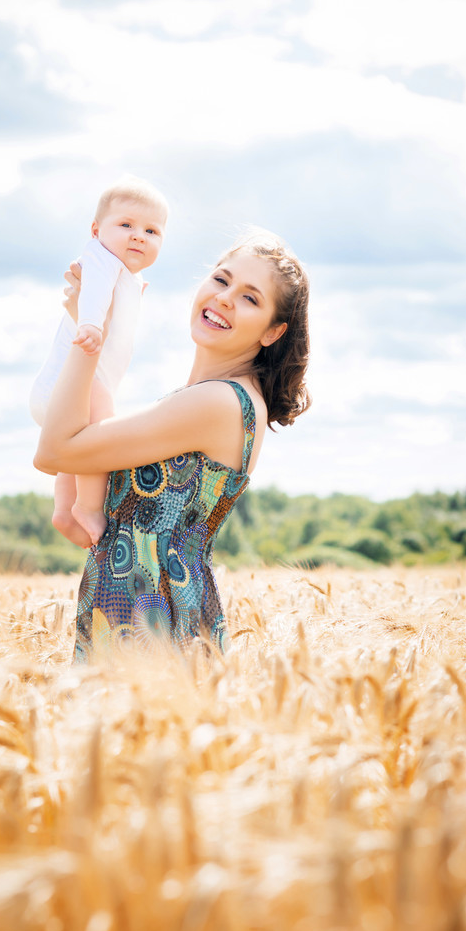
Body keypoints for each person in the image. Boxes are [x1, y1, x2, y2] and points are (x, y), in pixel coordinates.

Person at [34, 229, 310, 661]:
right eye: (222, 280)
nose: (224, 298)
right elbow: (80, 503)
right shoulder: (212, 399)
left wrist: (87, 331)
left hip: (151, 619)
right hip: (136, 606)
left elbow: (53, 451)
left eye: (250, 298)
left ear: (273, 332)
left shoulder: (218, 403)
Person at [30, 177, 168, 547]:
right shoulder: (100, 259)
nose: (139, 236)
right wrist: (90, 324)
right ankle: (90, 507)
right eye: (126, 225)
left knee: (77, 442)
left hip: (68, 395)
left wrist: (134, 289)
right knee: (100, 432)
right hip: (75, 385)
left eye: (152, 231)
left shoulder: (125, 273)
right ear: (96, 231)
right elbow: (93, 292)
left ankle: (65, 508)